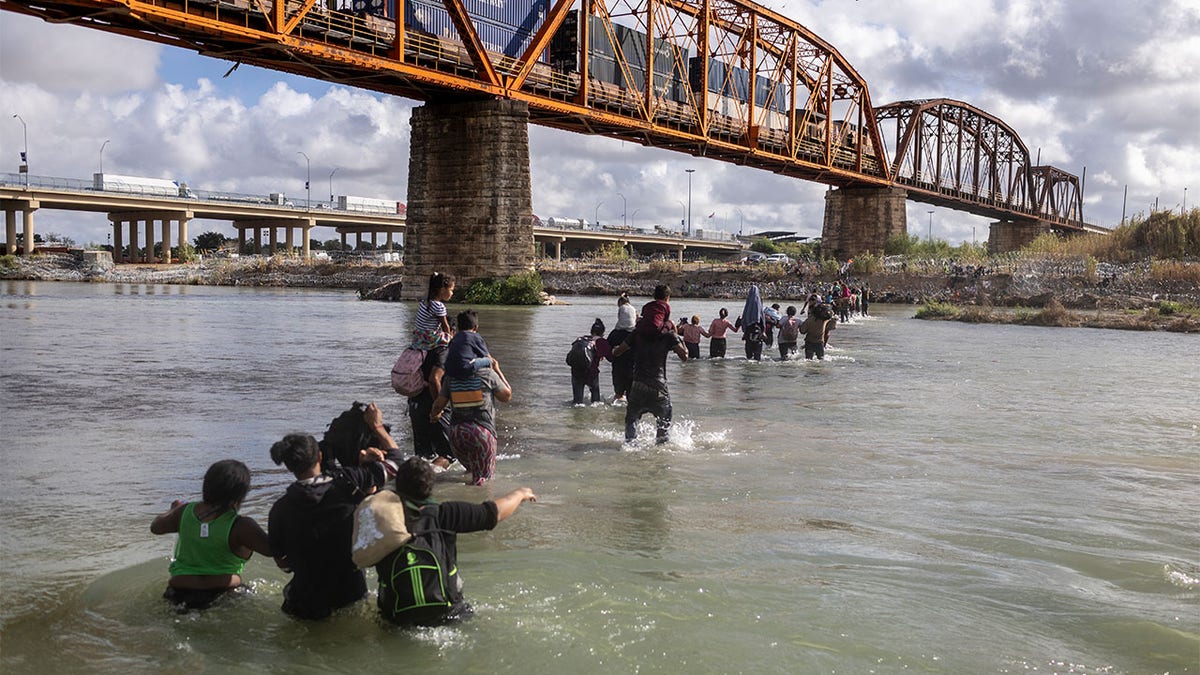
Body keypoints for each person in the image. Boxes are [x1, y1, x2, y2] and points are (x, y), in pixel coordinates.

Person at [267, 404, 402, 620]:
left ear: (290, 467)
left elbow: (282, 562)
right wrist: (377, 427)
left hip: (303, 602)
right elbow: (396, 463)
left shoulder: (280, 509)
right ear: (319, 456)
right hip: (349, 595)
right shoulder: (348, 483)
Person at [376, 457, 537, 625]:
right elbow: (493, 513)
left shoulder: (382, 521)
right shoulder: (445, 514)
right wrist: (520, 494)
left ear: (397, 488)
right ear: (431, 487)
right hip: (448, 614)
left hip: (398, 620)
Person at [150, 459, 273, 610]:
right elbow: (273, 550)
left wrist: (174, 509)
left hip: (178, 592)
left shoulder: (183, 512)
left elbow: (155, 527)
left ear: (206, 485)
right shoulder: (242, 526)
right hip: (226, 594)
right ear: (240, 494)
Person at [431, 314, 513, 485]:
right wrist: (497, 369)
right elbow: (506, 396)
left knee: (470, 473)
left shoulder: (451, 377)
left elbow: (438, 404)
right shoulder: (487, 374)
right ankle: (477, 509)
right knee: (482, 483)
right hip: (482, 433)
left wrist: (435, 415)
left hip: (457, 435)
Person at [613, 319, 688, 444]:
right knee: (663, 422)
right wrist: (677, 335)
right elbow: (685, 356)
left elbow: (617, 352)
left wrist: (614, 349)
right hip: (658, 386)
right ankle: (661, 451)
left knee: (631, 419)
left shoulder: (637, 333)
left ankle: (630, 446)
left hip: (638, 385)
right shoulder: (668, 335)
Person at [568, 318, 612, 405]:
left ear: (591, 331)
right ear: (603, 333)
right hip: (591, 373)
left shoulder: (580, 339)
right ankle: (594, 416)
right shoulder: (601, 342)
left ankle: (577, 417)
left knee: (577, 403)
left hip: (576, 372)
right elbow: (611, 358)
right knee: (596, 402)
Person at [411, 272, 454, 351]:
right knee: (451, 334)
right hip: (429, 338)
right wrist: (450, 338)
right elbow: (445, 326)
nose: (452, 293)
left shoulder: (425, 301)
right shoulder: (439, 306)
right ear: (442, 289)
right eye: (451, 290)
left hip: (418, 335)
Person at [608, 300, 636, 403]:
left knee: (618, 396)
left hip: (618, 370)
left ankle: (617, 417)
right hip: (634, 371)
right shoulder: (637, 334)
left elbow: (607, 352)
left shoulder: (614, 334)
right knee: (632, 399)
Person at [740, 284, 765, 361]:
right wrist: (763, 331)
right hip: (758, 332)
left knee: (749, 356)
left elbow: (744, 317)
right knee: (757, 357)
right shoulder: (759, 302)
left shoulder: (748, 302)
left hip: (748, 332)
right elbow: (762, 318)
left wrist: (744, 330)